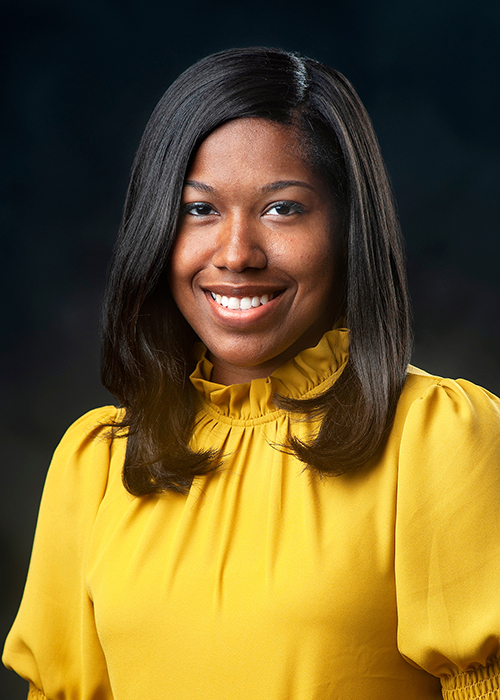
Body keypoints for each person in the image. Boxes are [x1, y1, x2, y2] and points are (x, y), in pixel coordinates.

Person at [3, 46, 500, 700]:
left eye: (282, 208)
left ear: (348, 227)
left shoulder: (436, 438)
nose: (236, 254)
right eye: (198, 209)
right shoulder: (97, 465)